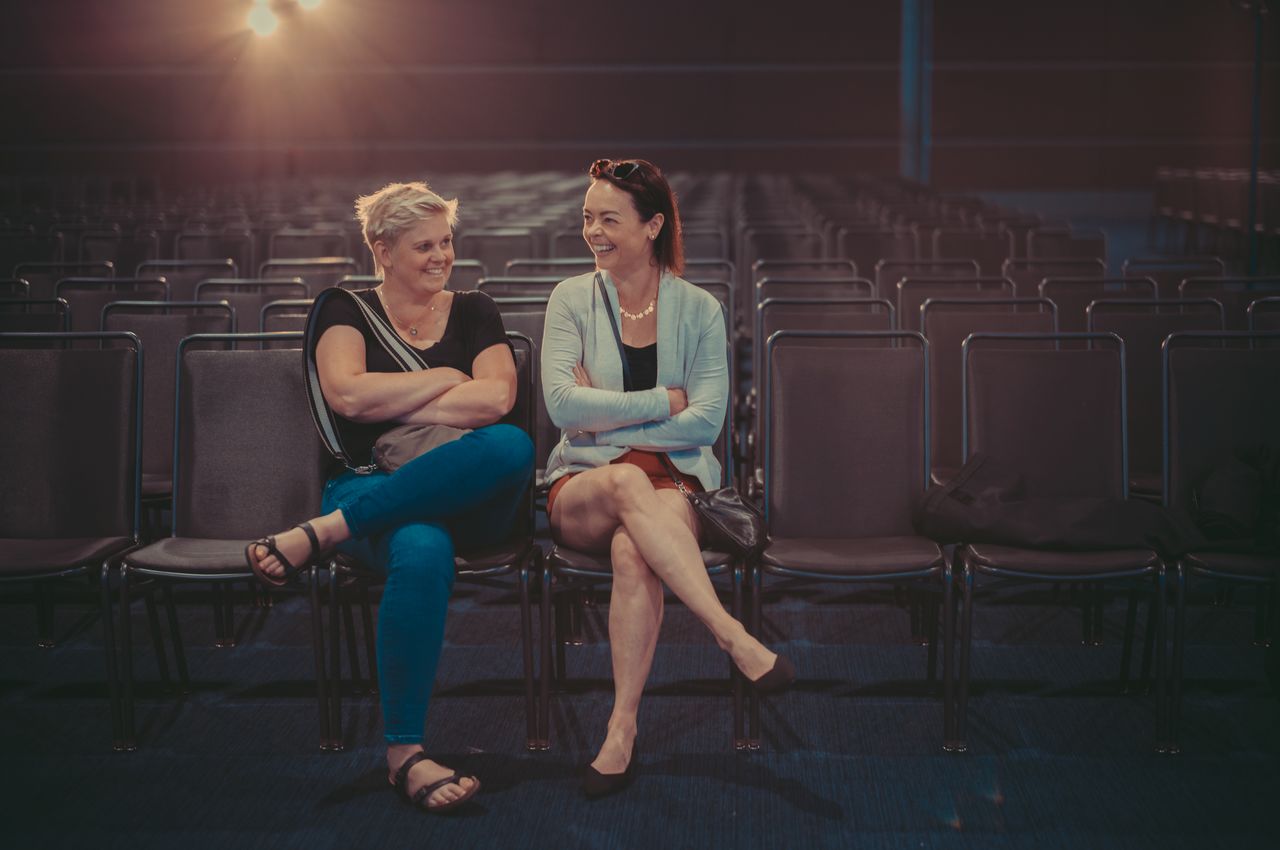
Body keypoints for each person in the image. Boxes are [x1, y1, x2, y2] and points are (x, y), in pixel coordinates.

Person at [245, 181, 533, 814]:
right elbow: (348, 397)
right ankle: (406, 755)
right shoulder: (342, 308)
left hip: (466, 493)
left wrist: (393, 400)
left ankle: (324, 533)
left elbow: (496, 399)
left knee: (511, 445)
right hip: (369, 479)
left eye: (446, 242)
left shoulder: (476, 309)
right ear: (382, 249)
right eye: (424, 246)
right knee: (422, 545)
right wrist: (445, 378)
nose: (442, 256)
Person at [541, 158, 794, 798]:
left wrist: (608, 420)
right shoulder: (570, 298)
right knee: (626, 486)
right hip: (586, 482)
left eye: (609, 219)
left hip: (673, 480)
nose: (593, 232)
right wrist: (662, 402)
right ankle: (731, 635)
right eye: (587, 218)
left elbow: (705, 423)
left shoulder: (700, 309)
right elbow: (563, 408)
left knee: (635, 551)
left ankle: (621, 728)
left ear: (652, 226)